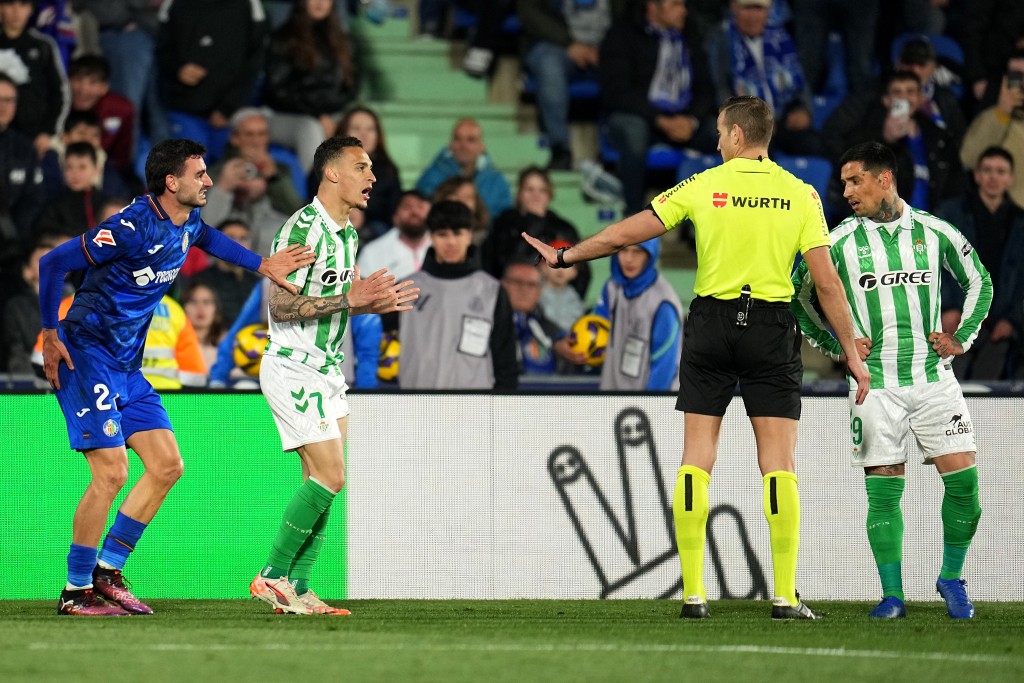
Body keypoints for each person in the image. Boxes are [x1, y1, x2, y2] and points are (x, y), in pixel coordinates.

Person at [522, 95, 870, 619]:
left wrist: (565, 254)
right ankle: (783, 595)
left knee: (696, 457)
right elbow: (827, 283)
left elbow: (626, 233)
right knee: (777, 463)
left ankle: (693, 594)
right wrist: (852, 354)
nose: (715, 141)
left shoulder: (705, 184)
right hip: (771, 327)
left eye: (718, 132)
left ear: (734, 135)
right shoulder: (801, 194)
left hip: (710, 323)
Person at [38, 138, 314, 617]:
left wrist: (263, 265)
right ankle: (75, 591)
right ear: (172, 182)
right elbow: (53, 262)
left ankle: (107, 574)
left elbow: (207, 238)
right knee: (112, 473)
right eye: (200, 173)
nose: (209, 181)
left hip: (128, 368)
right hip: (86, 356)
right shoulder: (130, 225)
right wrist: (48, 331)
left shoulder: (186, 223)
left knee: (167, 465)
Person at [791, 141, 992, 619]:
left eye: (854, 180)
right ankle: (893, 595)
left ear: (885, 179)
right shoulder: (838, 241)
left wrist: (960, 337)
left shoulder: (934, 230)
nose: (846, 192)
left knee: (966, 487)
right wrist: (836, 346)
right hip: (873, 384)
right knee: (884, 488)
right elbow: (796, 295)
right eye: (842, 183)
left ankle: (951, 577)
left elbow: (979, 280)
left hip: (933, 379)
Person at [249, 135, 417, 615]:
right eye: (362, 167)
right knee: (330, 475)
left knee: (322, 481)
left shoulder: (347, 234)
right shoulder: (303, 229)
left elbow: (332, 306)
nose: (373, 177)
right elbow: (280, 305)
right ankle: (272, 575)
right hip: (292, 366)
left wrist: (372, 303)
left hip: (326, 370)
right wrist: (351, 299)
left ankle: (299, 588)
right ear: (332, 173)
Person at [598, 0, 718, 214]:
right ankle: (633, 215)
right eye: (676, 5)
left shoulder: (690, 36)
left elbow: (707, 90)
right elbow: (617, 93)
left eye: (684, 5)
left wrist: (692, 120)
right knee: (634, 131)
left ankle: (720, 213)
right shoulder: (622, 35)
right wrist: (659, 119)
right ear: (653, 7)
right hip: (640, 118)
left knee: (729, 134)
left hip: (684, 120)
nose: (684, 11)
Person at [396, 199, 517, 390]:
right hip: (415, 402)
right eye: (442, 234)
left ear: (470, 235)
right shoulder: (405, 288)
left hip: (475, 405)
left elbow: (505, 360)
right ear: (431, 237)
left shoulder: (492, 290)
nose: (451, 242)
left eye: (458, 233)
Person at [935, 146, 1024, 380]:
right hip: (957, 320)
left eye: (1001, 171)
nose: (993, 177)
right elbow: (934, 264)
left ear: (1010, 178)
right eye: (987, 170)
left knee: (988, 391)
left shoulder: (1020, 222)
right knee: (951, 386)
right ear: (977, 176)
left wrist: (1012, 321)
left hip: (999, 327)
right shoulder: (951, 213)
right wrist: (947, 309)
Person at [823, 70, 964, 213]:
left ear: (921, 98)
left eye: (910, 92)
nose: (904, 98)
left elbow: (953, 179)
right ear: (886, 100)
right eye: (897, 92)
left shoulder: (936, 134)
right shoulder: (868, 131)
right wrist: (886, 139)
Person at [518, 0, 627, 170]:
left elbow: (633, 17)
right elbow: (530, 11)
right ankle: (560, 149)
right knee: (549, 64)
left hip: (609, 47)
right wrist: (568, 43)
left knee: (629, 65)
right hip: (557, 45)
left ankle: (616, 155)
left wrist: (609, 50)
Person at [705, 0, 820, 157]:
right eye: (747, 8)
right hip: (745, 123)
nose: (753, 15)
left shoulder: (781, 38)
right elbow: (720, 89)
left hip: (783, 117)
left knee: (815, 145)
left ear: (768, 11)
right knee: (758, 153)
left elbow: (799, 81)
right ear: (735, 9)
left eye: (758, 8)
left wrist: (804, 110)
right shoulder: (722, 41)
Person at [266, 0, 357, 172]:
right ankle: (316, 190)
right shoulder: (284, 38)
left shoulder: (343, 40)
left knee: (360, 124)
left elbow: (350, 86)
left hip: (331, 113)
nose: (320, 2)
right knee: (310, 129)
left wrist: (329, 115)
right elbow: (278, 90)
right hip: (289, 115)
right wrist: (317, 115)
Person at [482, 165, 590, 299]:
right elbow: (492, 264)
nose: (536, 195)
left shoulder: (564, 228)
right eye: (530, 189)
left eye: (542, 190)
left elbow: (582, 273)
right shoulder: (503, 224)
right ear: (519, 193)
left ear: (549, 194)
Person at [592, 237, 683, 390]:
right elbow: (594, 331)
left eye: (637, 251)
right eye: (624, 251)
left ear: (650, 254)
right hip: (611, 399)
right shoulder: (611, 288)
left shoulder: (664, 303)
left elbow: (664, 369)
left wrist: (649, 405)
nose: (629, 259)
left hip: (651, 403)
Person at [0, 0, 69, 158]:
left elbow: (60, 92)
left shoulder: (43, 46)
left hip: (36, 137)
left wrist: (49, 132)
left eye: (23, 4)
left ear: (31, 9)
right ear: (1, 7)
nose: (16, 11)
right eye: (10, 4)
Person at [960, 50, 1024, 208]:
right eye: (1015, 76)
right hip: (1004, 219)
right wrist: (1001, 114)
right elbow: (968, 159)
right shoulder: (992, 117)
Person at [415, 118, 513, 219]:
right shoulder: (430, 178)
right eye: (458, 139)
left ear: (482, 146)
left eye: (471, 140)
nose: (463, 145)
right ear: (451, 144)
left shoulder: (497, 182)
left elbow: (504, 221)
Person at [501, 258, 583, 378]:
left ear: (539, 291)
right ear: (502, 284)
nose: (524, 290)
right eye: (517, 282)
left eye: (531, 285)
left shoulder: (554, 334)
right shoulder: (487, 325)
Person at [67, 54, 136, 176]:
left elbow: (121, 157)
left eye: (93, 82)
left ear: (104, 87)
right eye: (78, 80)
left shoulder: (120, 109)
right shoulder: (56, 106)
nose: (84, 89)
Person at [186, 219, 262, 328]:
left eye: (243, 238)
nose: (238, 244)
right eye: (231, 238)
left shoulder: (258, 283)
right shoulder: (200, 281)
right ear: (216, 244)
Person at [339, 106, 401, 239]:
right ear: (343, 133)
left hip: (374, 236)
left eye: (370, 129)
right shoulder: (324, 166)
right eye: (356, 128)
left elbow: (393, 213)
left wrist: (361, 212)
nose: (364, 134)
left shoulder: (388, 172)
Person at [356, 189, 431, 277]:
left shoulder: (442, 244)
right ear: (395, 217)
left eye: (420, 206)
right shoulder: (372, 253)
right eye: (407, 207)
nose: (414, 212)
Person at [180, 281, 224, 371]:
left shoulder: (227, 345)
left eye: (206, 302)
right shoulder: (174, 345)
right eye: (193, 302)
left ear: (216, 310)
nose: (200, 308)